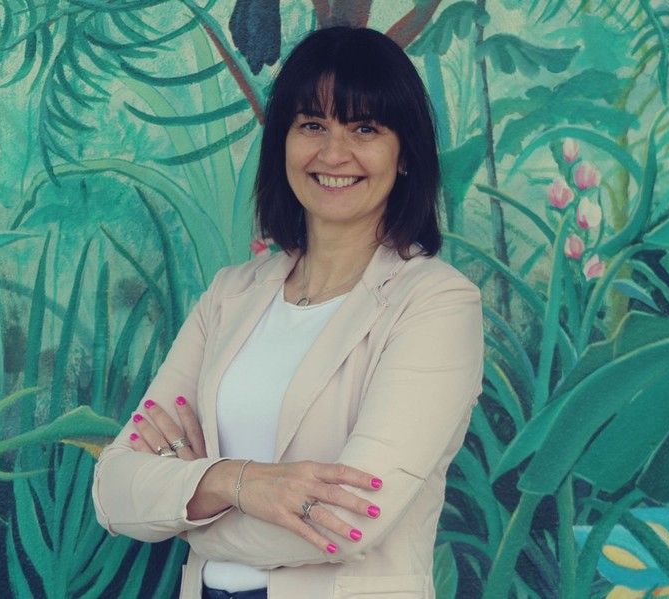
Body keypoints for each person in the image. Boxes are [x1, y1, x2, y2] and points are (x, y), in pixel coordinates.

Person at [92, 26, 483, 599]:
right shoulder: (230, 294)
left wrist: (187, 511)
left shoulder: (436, 304)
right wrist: (235, 481)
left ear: (405, 156)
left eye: (365, 128)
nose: (333, 153)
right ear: (284, 141)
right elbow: (113, 489)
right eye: (312, 125)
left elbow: (348, 521)